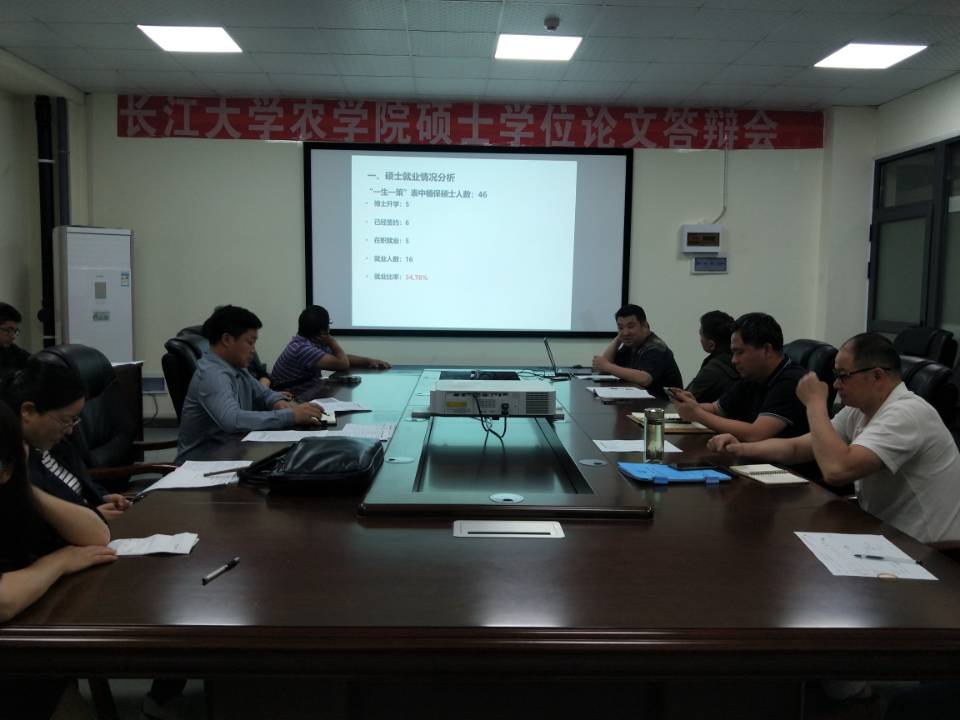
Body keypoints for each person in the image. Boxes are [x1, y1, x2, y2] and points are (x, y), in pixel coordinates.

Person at [709, 332, 960, 543]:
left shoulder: (907, 414)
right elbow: (797, 447)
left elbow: (837, 470)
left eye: (843, 375)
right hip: (885, 534)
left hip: (930, 552)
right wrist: (741, 448)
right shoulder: (859, 410)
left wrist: (815, 404)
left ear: (877, 376)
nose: (836, 385)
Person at [0, 400, 117, 719]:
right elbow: (4, 601)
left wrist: (26, 485)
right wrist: (58, 562)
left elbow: (96, 535)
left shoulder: (12, 495)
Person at [176, 305, 327, 461]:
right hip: (201, 464)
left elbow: (264, 393)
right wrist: (291, 415)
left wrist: (278, 402)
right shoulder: (212, 374)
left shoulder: (235, 368)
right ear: (227, 340)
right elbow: (232, 420)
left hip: (231, 451)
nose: (253, 350)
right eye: (250, 342)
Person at [1, 361, 131, 520]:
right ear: (28, 411)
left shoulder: (56, 444)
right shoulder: (16, 467)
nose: (70, 430)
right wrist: (94, 516)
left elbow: (78, 484)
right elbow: (40, 522)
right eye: (65, 420)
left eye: (74, 420)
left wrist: (101, 497)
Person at [671, 312, 808, 441]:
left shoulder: (792, 381)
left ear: (766, 349)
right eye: (733, 353)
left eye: (740, 352)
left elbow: (757, 433)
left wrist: (697, 414)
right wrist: (692, 405)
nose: (733, 360)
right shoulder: (754, 376)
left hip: (782, 459)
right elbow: (717, 409)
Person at [271, 305, 391, 394]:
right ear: (323, 331)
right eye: (329, 325)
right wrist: (331, 340)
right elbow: (343, 364)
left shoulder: (309, 342)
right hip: (292, 398)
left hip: (305, 391)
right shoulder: (303, 348)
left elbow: (342, 358)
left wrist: (369, 361)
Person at [591, 304, 682, 399]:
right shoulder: (632, 344)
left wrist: (607, 366)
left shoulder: (655, 347)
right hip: (644, 401)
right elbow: (604, 366)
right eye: (621, 327)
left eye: (630, 326)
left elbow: (644, 379)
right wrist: (619, 338)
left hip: (665, 405)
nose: (626, 332)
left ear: (645, 326)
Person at [685, 310, 738, 403]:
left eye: (701, 335)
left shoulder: (713, 369)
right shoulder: (741, 361)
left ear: (712, 344)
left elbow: (683, 400)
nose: (700, 340)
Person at [0, 302, 30, 380]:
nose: (13, 336)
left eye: (15, 331)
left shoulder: (12, 350)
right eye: (8, 330)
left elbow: (34, 362)